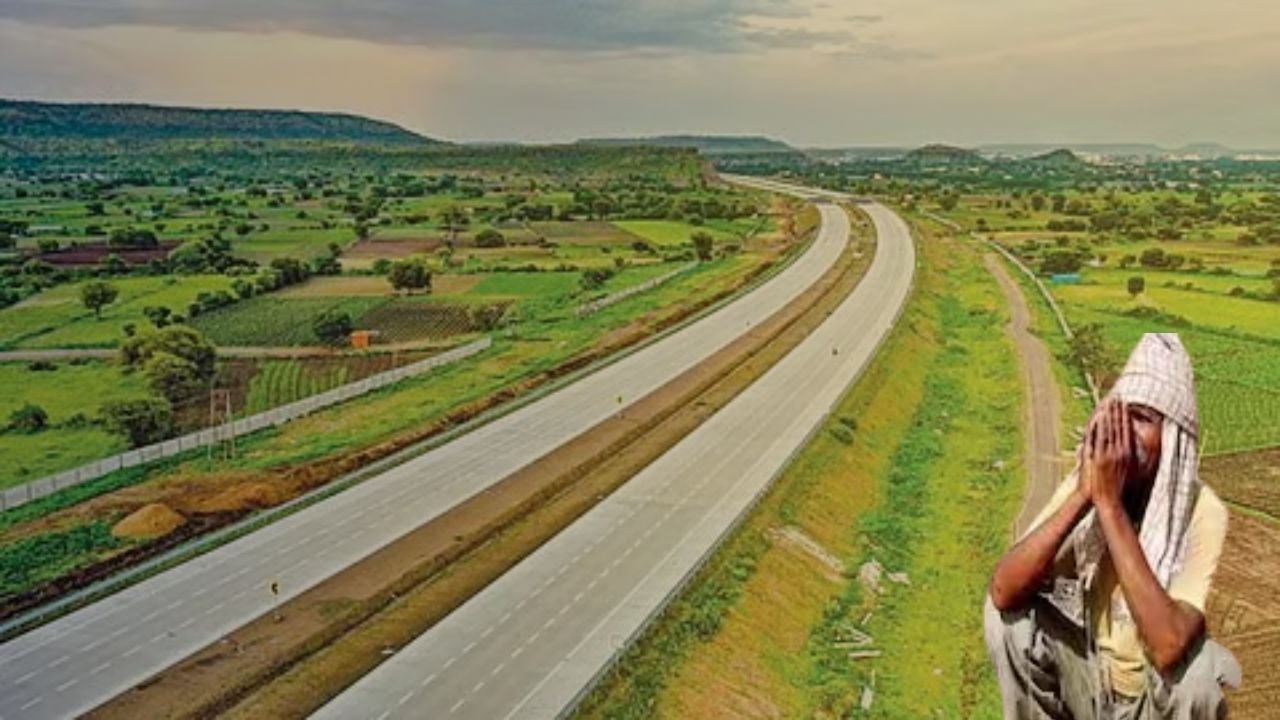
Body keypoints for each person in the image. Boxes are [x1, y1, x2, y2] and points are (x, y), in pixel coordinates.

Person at [985, 334, 1240, 719]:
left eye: (1142, 420)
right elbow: (1004, 589)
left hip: (1152, 699)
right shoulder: (1094, 483)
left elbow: (1169, 645)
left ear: (1171, 439)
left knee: (1197, 677)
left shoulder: (1204, 513)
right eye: (1119, 416)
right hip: (1089, 675)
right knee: (1008, 620)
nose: (1124, 435)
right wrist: (1085, 495)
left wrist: (1108, 505)